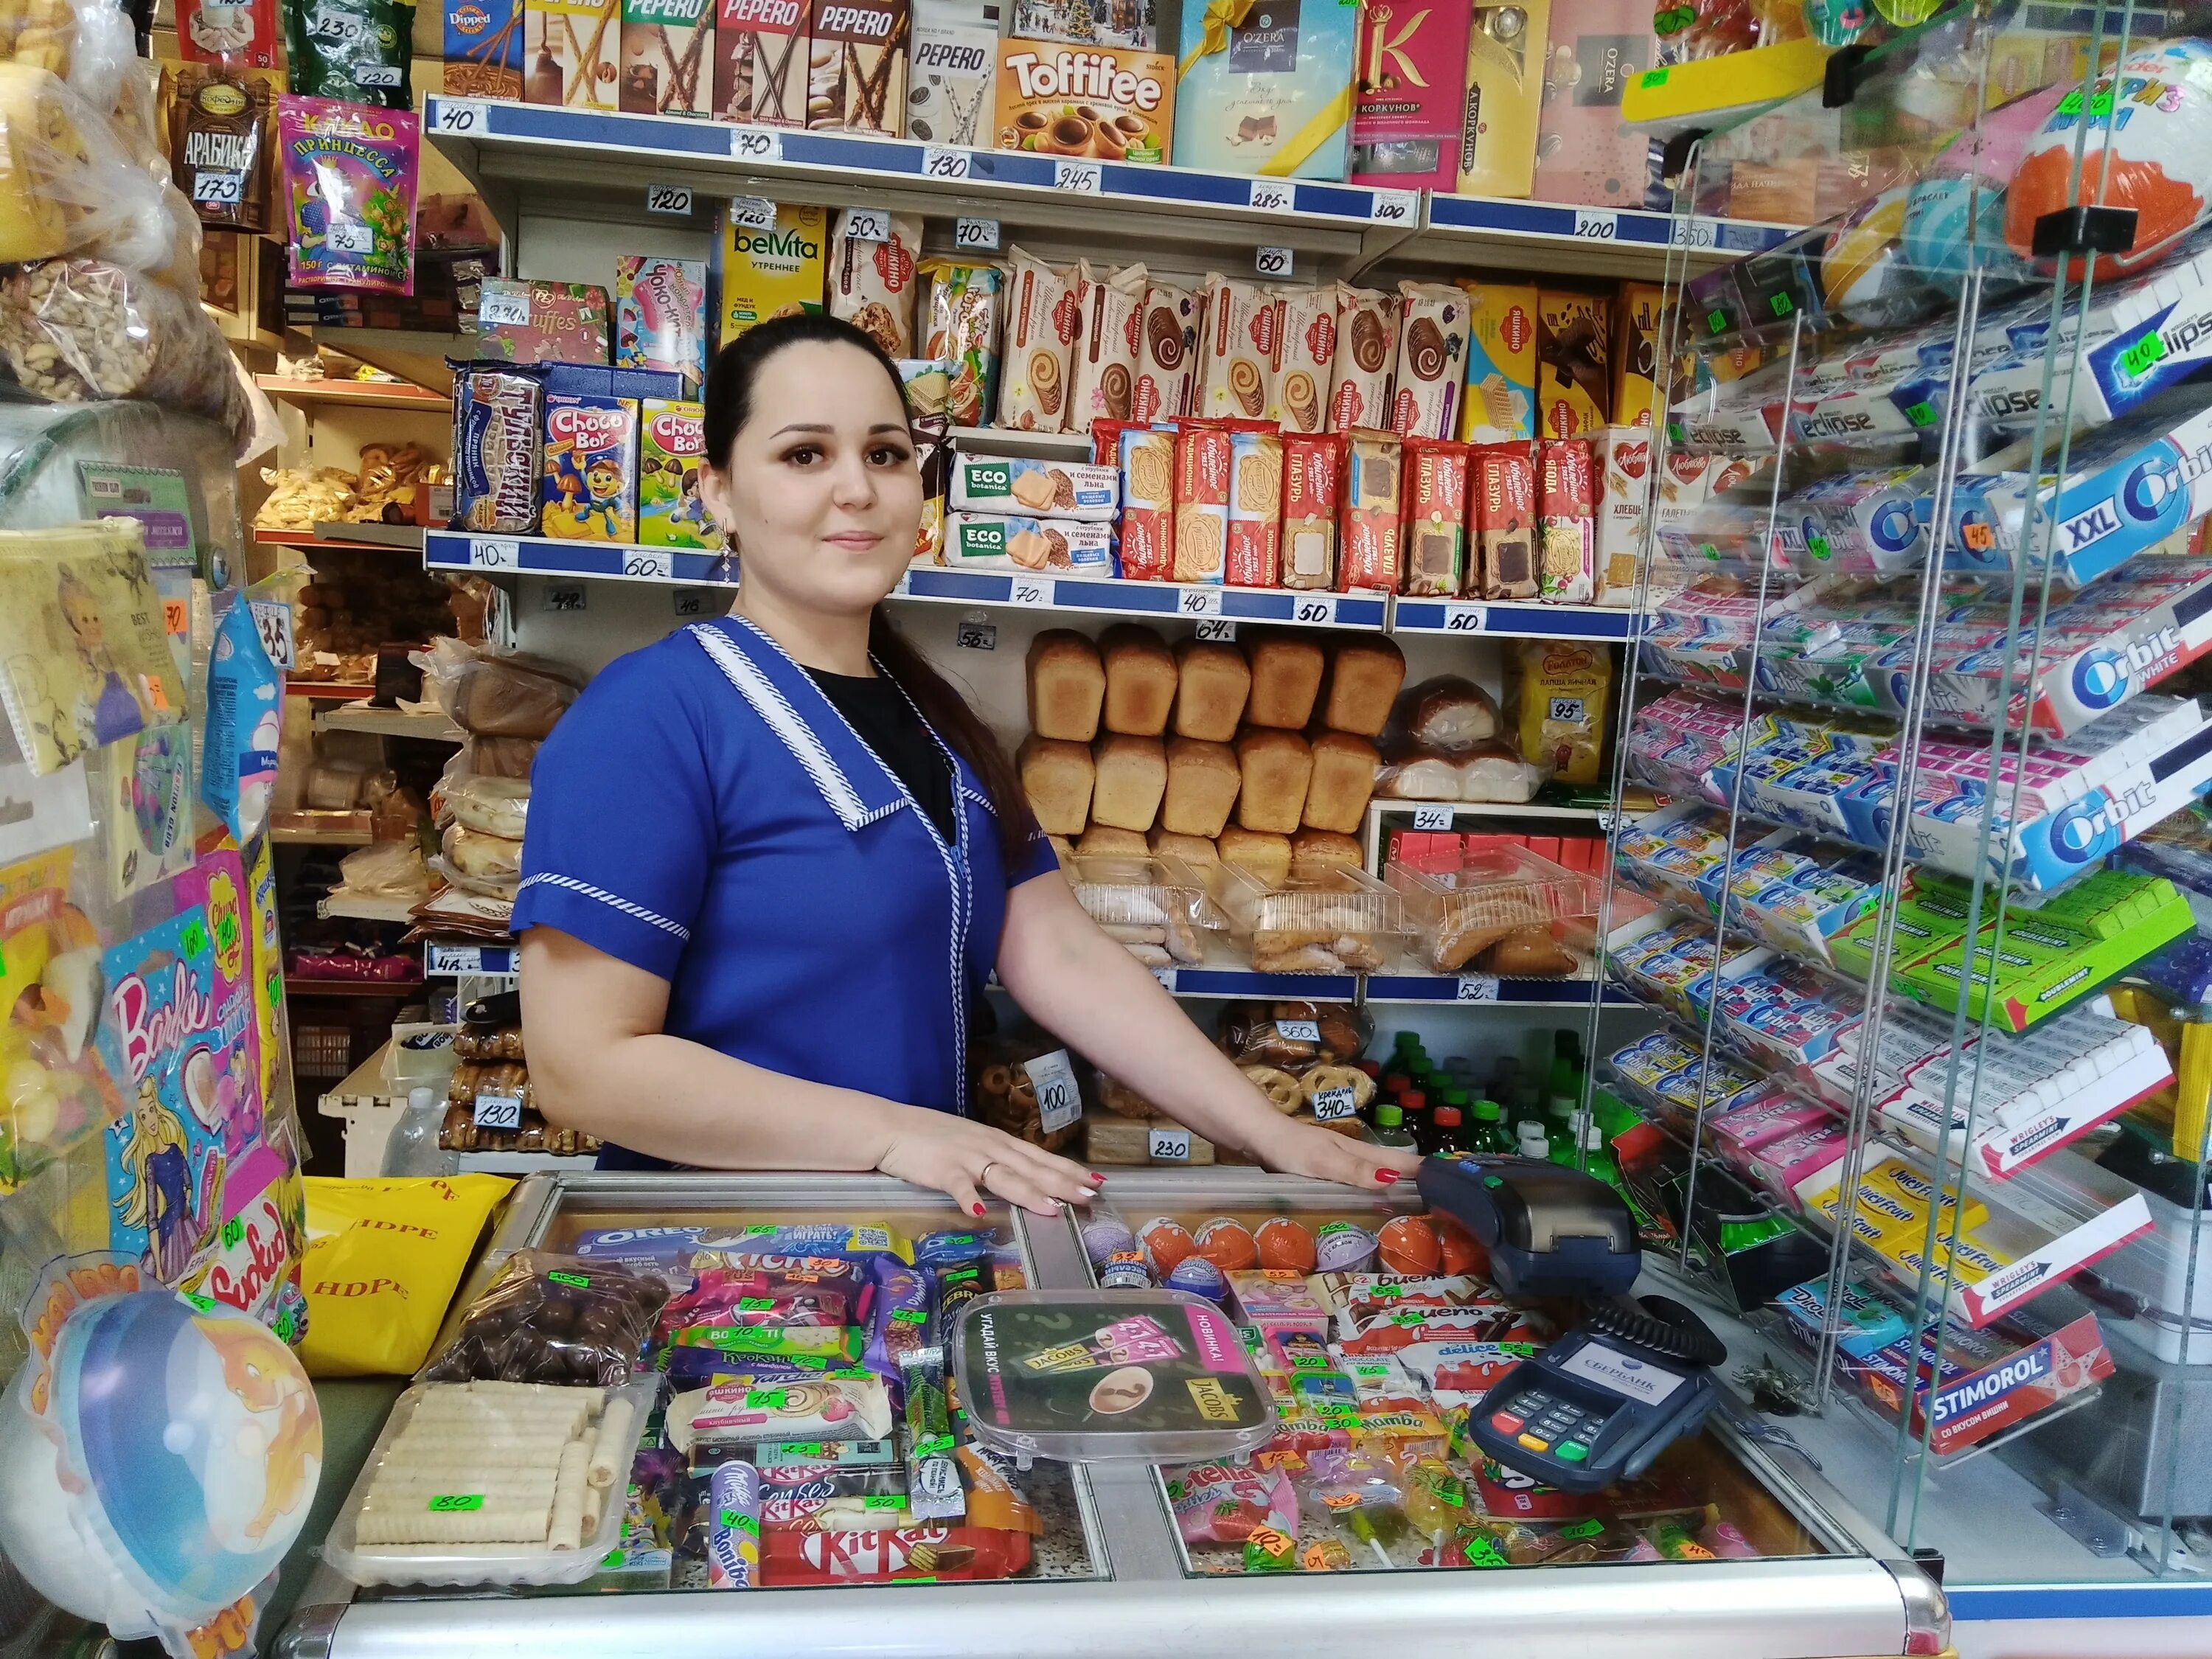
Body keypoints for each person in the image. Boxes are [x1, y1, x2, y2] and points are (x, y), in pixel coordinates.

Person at [515, 314, 1421, 1214]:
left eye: (885, 454)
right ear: (717, 493)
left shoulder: (935, 720)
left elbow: (1060, 951)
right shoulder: (647, 718)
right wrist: (893, 1134)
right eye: (804, 455)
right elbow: (583, 1067)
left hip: (909, 1244)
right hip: (719, 1252)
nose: (856, 490)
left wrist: (1270, 1132)